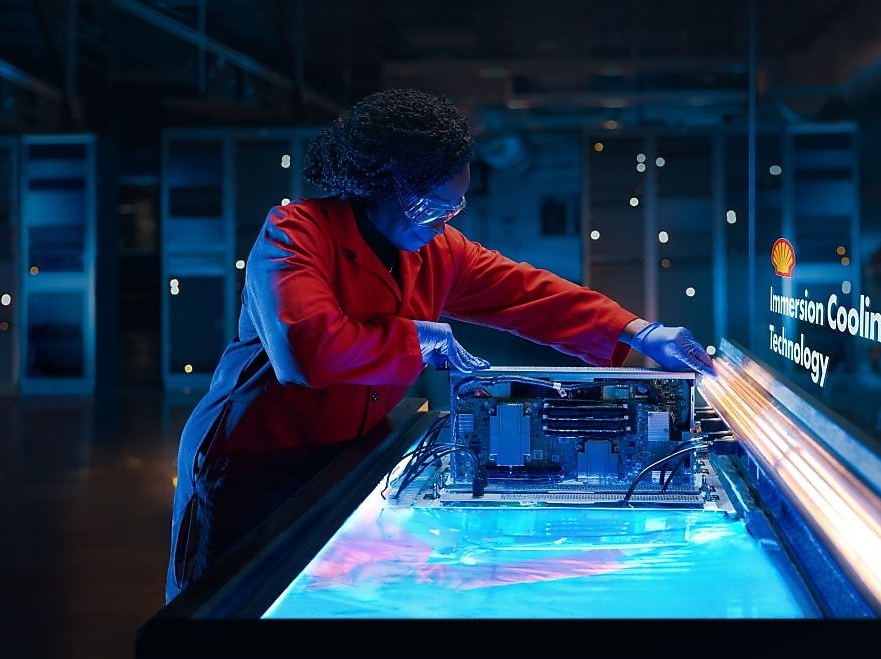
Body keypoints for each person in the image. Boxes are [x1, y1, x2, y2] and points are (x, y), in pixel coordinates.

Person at [164, 88, 715, 603]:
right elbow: (304, 348)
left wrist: (639, 332)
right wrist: (417, 338)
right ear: (385, 185)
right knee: (220, 612)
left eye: (454, 209)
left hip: (342, 456)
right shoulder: (296, 233)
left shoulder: (436, 250)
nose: (443, 222)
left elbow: (528, 293)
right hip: (251, 460)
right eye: (433, 207)